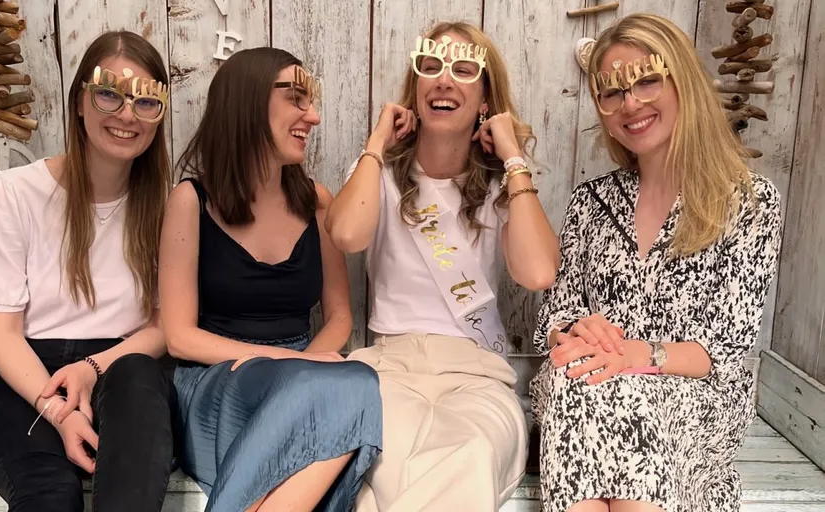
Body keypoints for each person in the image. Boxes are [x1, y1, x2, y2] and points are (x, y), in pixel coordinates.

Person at [530, 13, 783, 512]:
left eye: (648, 81)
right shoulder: (591, 201)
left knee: (616, 392)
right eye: (613, 92)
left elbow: (724, 349)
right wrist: (576, 333)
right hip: (586, 386)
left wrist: (634, 355)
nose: (632, 104)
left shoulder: (750, 203)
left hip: (693, 397)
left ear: (682, 83)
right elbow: (553, 320)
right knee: (576, 379)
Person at [325, 21, 560, 511]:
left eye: (464, 69)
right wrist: (375, 144)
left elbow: (538, 273)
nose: (444, 80)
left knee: (471, 454)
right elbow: (345, 234)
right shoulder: (379, 173)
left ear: (485, 99)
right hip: (388, 369)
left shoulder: (503, 186)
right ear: (415, 89)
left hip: (477, 373)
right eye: (430, 66)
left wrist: (513, 156)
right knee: (384, 469)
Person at [0, 31, 175, 512]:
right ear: (80, 101)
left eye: (144, 102)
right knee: (49, 493)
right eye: (108, 93)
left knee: (138, 388)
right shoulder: (10, 194)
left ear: (158, 116)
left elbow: (167, 327)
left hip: (121, 371)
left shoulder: (168, 209)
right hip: (20, 379)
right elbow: (3, 334)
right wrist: (55, 410)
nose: (125, 115)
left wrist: (91, 369)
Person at [158, 47, 382, 512]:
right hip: (219, 380)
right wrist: (283, 360)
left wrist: (304, 363)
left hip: (303, 379)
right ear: (248, 100)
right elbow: (178, 337)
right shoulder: (190, 200)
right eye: (297, 98)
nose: (313, 116)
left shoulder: (316, 200)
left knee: (356, 381)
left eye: (312, 100)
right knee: (345, 387)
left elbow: (340, 315)